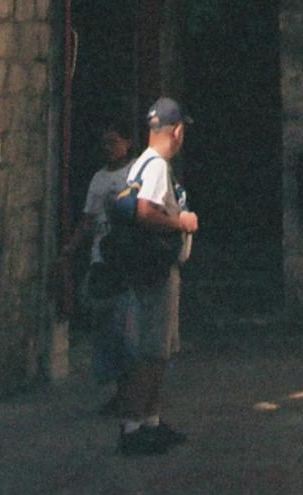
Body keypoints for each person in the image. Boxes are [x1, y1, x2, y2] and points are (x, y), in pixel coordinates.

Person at [112, 98, 198, 458]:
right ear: (177, 131)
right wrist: (181, 222)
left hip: (149, 268)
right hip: (156, 270)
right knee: (152, 350)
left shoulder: (141, 164)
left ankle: (150, 420)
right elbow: (146, 212)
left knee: (160, 349)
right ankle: (134, 425)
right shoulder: (159, 167)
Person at [59, 121, 136, 400]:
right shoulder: (99, 180)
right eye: (105, 144)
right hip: (103, 259)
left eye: (114, 142)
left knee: (127, 327)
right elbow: (88, 219)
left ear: (127, 143)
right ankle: (119, 390)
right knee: (108, 328)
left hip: (128, 259)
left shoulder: (138, 172)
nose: (109, 149)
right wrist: (71, 247)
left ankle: (132, 392)